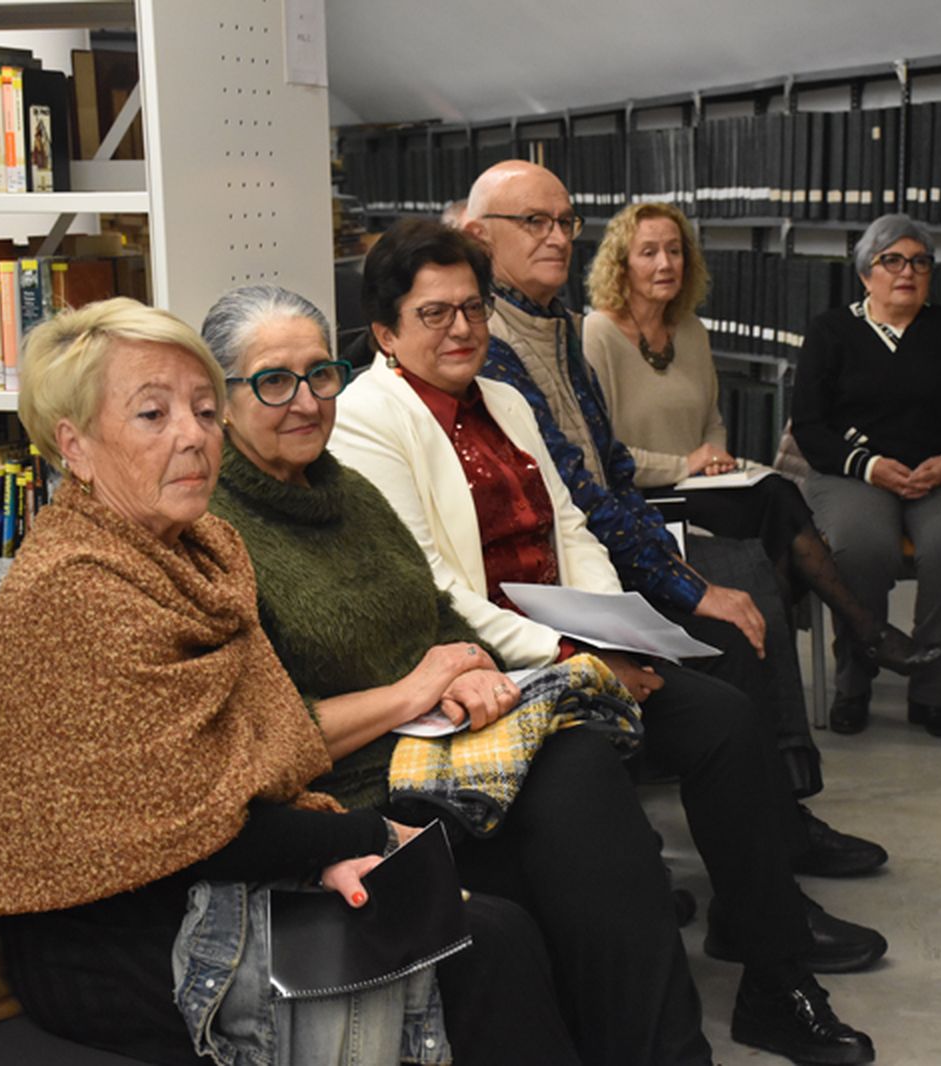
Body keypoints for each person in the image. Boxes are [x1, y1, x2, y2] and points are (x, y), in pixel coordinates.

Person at [0, 298, 578, 1066]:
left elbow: (242, 773)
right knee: (485, 943)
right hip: (108, 938)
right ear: (74, 445)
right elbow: (186, 829)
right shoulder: (83, 588)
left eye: (205, 411)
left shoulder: (198, 547)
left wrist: (326, 851)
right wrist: (365, 837)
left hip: (200, 877)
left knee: (500, 898)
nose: (192, 435)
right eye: (153, 414)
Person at [333, 218, 881, 1066]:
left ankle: (774, 976)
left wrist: (607, 628)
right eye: (434, 314)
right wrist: (576, 659)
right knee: (600, 771)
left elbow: (573, 526)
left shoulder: (506, 397)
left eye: (473, 309)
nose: (463, 330)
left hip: (570, 650)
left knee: (727, 722)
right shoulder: (367, 418)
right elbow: (439, 586)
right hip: (492, 678)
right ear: (385, 332)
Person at [202, 283, 714, 1065]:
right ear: (222, 398)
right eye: (274, 381)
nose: (305, 402)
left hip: (447, 752)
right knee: (573, 857)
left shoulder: (349, 492)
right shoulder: (218, 537)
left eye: (321, 374)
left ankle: (664, 1054)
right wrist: (417, 687)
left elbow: (433, 610)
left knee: (583, 774)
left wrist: (466, 664)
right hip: (355, 794)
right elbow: (264, 737)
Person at [463, 159, 888, 879]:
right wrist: (686, 588)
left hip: (608, 555)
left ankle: (780, 828)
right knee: (729, 614)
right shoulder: (492, 349)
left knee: (748, 586)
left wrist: (680, 571)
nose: (558, 238)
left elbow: (611, 472)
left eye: (566, 222)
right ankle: (764, 856)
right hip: (558, 587)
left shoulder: (559, 329)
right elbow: (578, 493)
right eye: (534, 222)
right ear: (478, 237)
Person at [583, 200, 941, 677]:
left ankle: (791, 658)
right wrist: (686, 464)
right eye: (648, 252)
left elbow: (711, 419)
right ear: (621, 263)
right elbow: (602, 452)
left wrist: (711, 458)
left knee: (777, 505)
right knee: (779, 506)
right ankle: (864, 632)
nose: (665, 263)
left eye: (674, 250)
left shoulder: (690, 330)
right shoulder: (597, 334)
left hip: (697, 486)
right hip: (639, 496)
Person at [791, 213, 941, 739]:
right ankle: (854, 683)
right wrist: (869, 466)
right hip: (854, 476)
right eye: (891, 260)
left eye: (919, 262)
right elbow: (810, 424)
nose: (906, 272)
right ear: (866, 273)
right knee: (862, 546)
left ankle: (931, 691)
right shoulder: (831, 331)